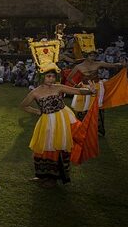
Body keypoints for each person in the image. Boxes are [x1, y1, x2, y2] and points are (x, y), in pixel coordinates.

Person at [20, 39, 99, 187]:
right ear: (41, 77)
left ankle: (54, 178)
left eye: (52, 76)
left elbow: (77, 91)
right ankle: (42, 175)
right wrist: (38, 111)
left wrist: (90, 91)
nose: (51, 79)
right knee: (43, 147)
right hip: (46, 121)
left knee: (58, 147)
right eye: (48, 76)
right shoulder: (35, 92)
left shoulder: (58, 87)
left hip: (62, 119)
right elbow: (23, 105)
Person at [67, 33, 127, 136]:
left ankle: (98, 129)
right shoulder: (79, 67)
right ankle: (82, 128)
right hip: (84, 88)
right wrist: (76, 85)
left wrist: (122, 64)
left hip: (97, 87)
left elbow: (112, 65)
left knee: (97, 109)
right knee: (83, 109)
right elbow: (69, 78)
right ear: (86, 56)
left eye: (94, 55)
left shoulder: (98, 63)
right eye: (91, 55)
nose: (93, 57)